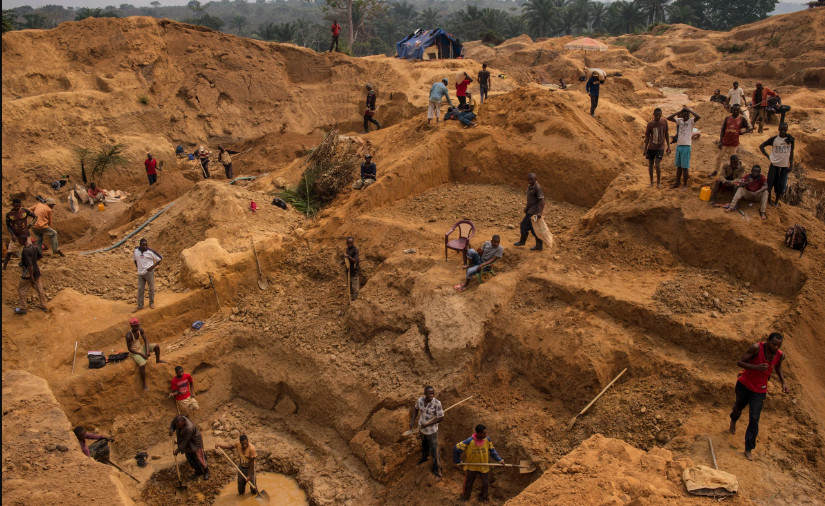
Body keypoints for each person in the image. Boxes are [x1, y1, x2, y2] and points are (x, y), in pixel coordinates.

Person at [729, 333, 789, 461]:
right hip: (744, 385)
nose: (776, 347)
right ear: (767, 341)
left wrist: (783, 382)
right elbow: (739, 362)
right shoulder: (756, 348)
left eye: (779, 345)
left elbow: (778, 366)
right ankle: (733, 419)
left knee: (754, 418)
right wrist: (756, 367)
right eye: (773, 344)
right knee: (738, 407)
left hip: (760, 390)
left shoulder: (780, 355)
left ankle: (748, 448)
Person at [453, 424, 504, 502]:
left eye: (486, 433)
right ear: (478, 433)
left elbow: (492, 451)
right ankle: (465, 497)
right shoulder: (469, 441)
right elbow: (456, 448)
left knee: (485, 484)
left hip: (484, 466)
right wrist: (458, 461)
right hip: (472, 466)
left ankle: (483, 497)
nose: (486, 435)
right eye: (484, 433)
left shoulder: (487, 440)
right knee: (468, 483)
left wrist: (499, 460)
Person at [410, 386, 444, 478]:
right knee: (424, 446)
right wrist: (413, 420)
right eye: (430, 393)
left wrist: (428, 424)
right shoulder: (420, 400)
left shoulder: (437, 403)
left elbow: (441, 418)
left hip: (431, 432)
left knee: (434, 451)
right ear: (425, 393)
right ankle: (424, 459)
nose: (432, 395)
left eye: (433, 393)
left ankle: (437, 471)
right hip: (422, 430)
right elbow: (415, 408)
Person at [711, 104, 752, 177]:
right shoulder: (727, 118)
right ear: (732, 110)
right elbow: (723, 130)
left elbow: (750, 127)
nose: (736, 111)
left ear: (739, 110)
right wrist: (720, 141)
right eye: (734, 110)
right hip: (725, 141)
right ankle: (715, 171)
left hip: (734, 143)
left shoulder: (742, 119)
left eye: (737, 110)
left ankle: (728, 174)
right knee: (719, 157)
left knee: (730, 159)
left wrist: (743, 132)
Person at [759, 123, 795, 207]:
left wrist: (791, 165)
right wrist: (769, 156)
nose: (783, 131)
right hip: (774, 165)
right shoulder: (774, 139)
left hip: (784, 166)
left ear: (787, 129)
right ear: (778, 129)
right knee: (770, 183)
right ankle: (769, 200)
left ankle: (776, 202)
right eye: (781, 129)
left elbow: (791, 152)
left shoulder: (790, 140)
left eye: (785, 129)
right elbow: (761, 146)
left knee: (781, 185)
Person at [126, 317, 166, 391]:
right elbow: (130, 349)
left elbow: (146, 339)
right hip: (135, 352)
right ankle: (144, 382)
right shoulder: (129, 335)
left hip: (141, 348)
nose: (138, 327)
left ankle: (158, 360)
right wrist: (141, 354)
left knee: (156, 346)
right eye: (136, 326)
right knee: (142, 365)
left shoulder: (140, 330)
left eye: (138, 325)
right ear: (132, 326)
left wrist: (147, 350)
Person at [666, 107, 700, 191]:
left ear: (688, 115)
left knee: (685, 167)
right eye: (683, 115)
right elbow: (668, 118)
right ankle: (677, 182)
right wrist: (679, 111)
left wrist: (690, 110)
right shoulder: (679, 121)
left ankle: (685, 184)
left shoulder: (691, 121)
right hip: (679, 146)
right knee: (678, 166)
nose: (685, 117)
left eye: (686, 115)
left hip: (686, 146)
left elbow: (698, 117)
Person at [14, 234, 48, 315]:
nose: (19, 242)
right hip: (36, 270)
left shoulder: (26, 250)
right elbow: (40, 256)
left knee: (21, 289)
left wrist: (31, 276)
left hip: (29, 273)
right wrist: (34, 261)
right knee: (40, 288)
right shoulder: (33, 247)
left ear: (22, 241)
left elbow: (29, 265)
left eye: (19, 241)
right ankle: (44, 306)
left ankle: (23, 308)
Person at [170, 414, 210, 480]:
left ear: (184, 421)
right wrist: (171, 429)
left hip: (195, 443)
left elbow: (186, 441)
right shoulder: (177, 420)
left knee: (200, 458)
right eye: (178, 426)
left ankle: (206, 471)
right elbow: (172, 424)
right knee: (190, 458)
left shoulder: (189, 428)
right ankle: (198, 471)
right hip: (186, 444)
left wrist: (178, 450)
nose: (179, 427)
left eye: (180, 425)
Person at [514, 173, 545, 251]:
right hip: (530, 209)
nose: (530, 181)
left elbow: (542, 200)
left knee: (523, 226)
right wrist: (526, 208)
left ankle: (522, 241)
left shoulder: (537, 188)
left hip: (533, 211)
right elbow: (531, 200)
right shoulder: (530, 186)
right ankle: (539, 245)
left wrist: (540, 212)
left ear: (535, 179)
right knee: (533, 229)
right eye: (529, 180)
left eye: (532, 180)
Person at [4, 199, 35, 271]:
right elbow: (8, 226)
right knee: (9, 252)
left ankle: (29, 266)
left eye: (19, 206)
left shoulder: (25, 211)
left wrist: (30, 225)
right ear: (12, 205)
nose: (18, 207)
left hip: (25, 236)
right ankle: (4, 268)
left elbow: (35, 217)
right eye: (16, 206)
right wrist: (12, 234)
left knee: (30, 251)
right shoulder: (9, 214)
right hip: (16, 237)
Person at [644, 108, 671, 189]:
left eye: (659, 115)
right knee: (651, 164)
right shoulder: (650, 124)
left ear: (661, 115)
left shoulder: (664, 122)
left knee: (657, 163)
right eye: (656, 115)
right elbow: (647, 137)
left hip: (660, 146)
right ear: (653, 115)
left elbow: (666, 134)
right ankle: (652, 182)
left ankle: (658, 183)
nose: (658, 116)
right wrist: (645, 149)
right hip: (651, 147)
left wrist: (668, 146)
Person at [133, 238, 162, 312]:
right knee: (140, 289)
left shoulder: (150, 251)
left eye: (146, 245)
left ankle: (151, 303)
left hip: (149, 273)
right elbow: (134, 259)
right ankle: (140, 305)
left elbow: (160, 258)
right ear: (140, 245)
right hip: (140, 274)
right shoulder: (136, 251)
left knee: (151, 288)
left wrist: (152, 267)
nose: (145, 247)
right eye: (143, 245)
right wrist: (138, 267)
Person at [341, 237, 360, 301]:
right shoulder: (347, 250)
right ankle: (351, 299)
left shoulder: (355, 250)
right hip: (349, 271)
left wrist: (348, 256)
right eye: (348, 243)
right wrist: (344, 261)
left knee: (355, 288)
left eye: (350, 243)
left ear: (353, 242)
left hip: (354, 272)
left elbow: (355, 261)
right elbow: (348, 260)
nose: (349, 244)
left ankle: (356, 300)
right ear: (346, 243)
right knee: (350, 287)